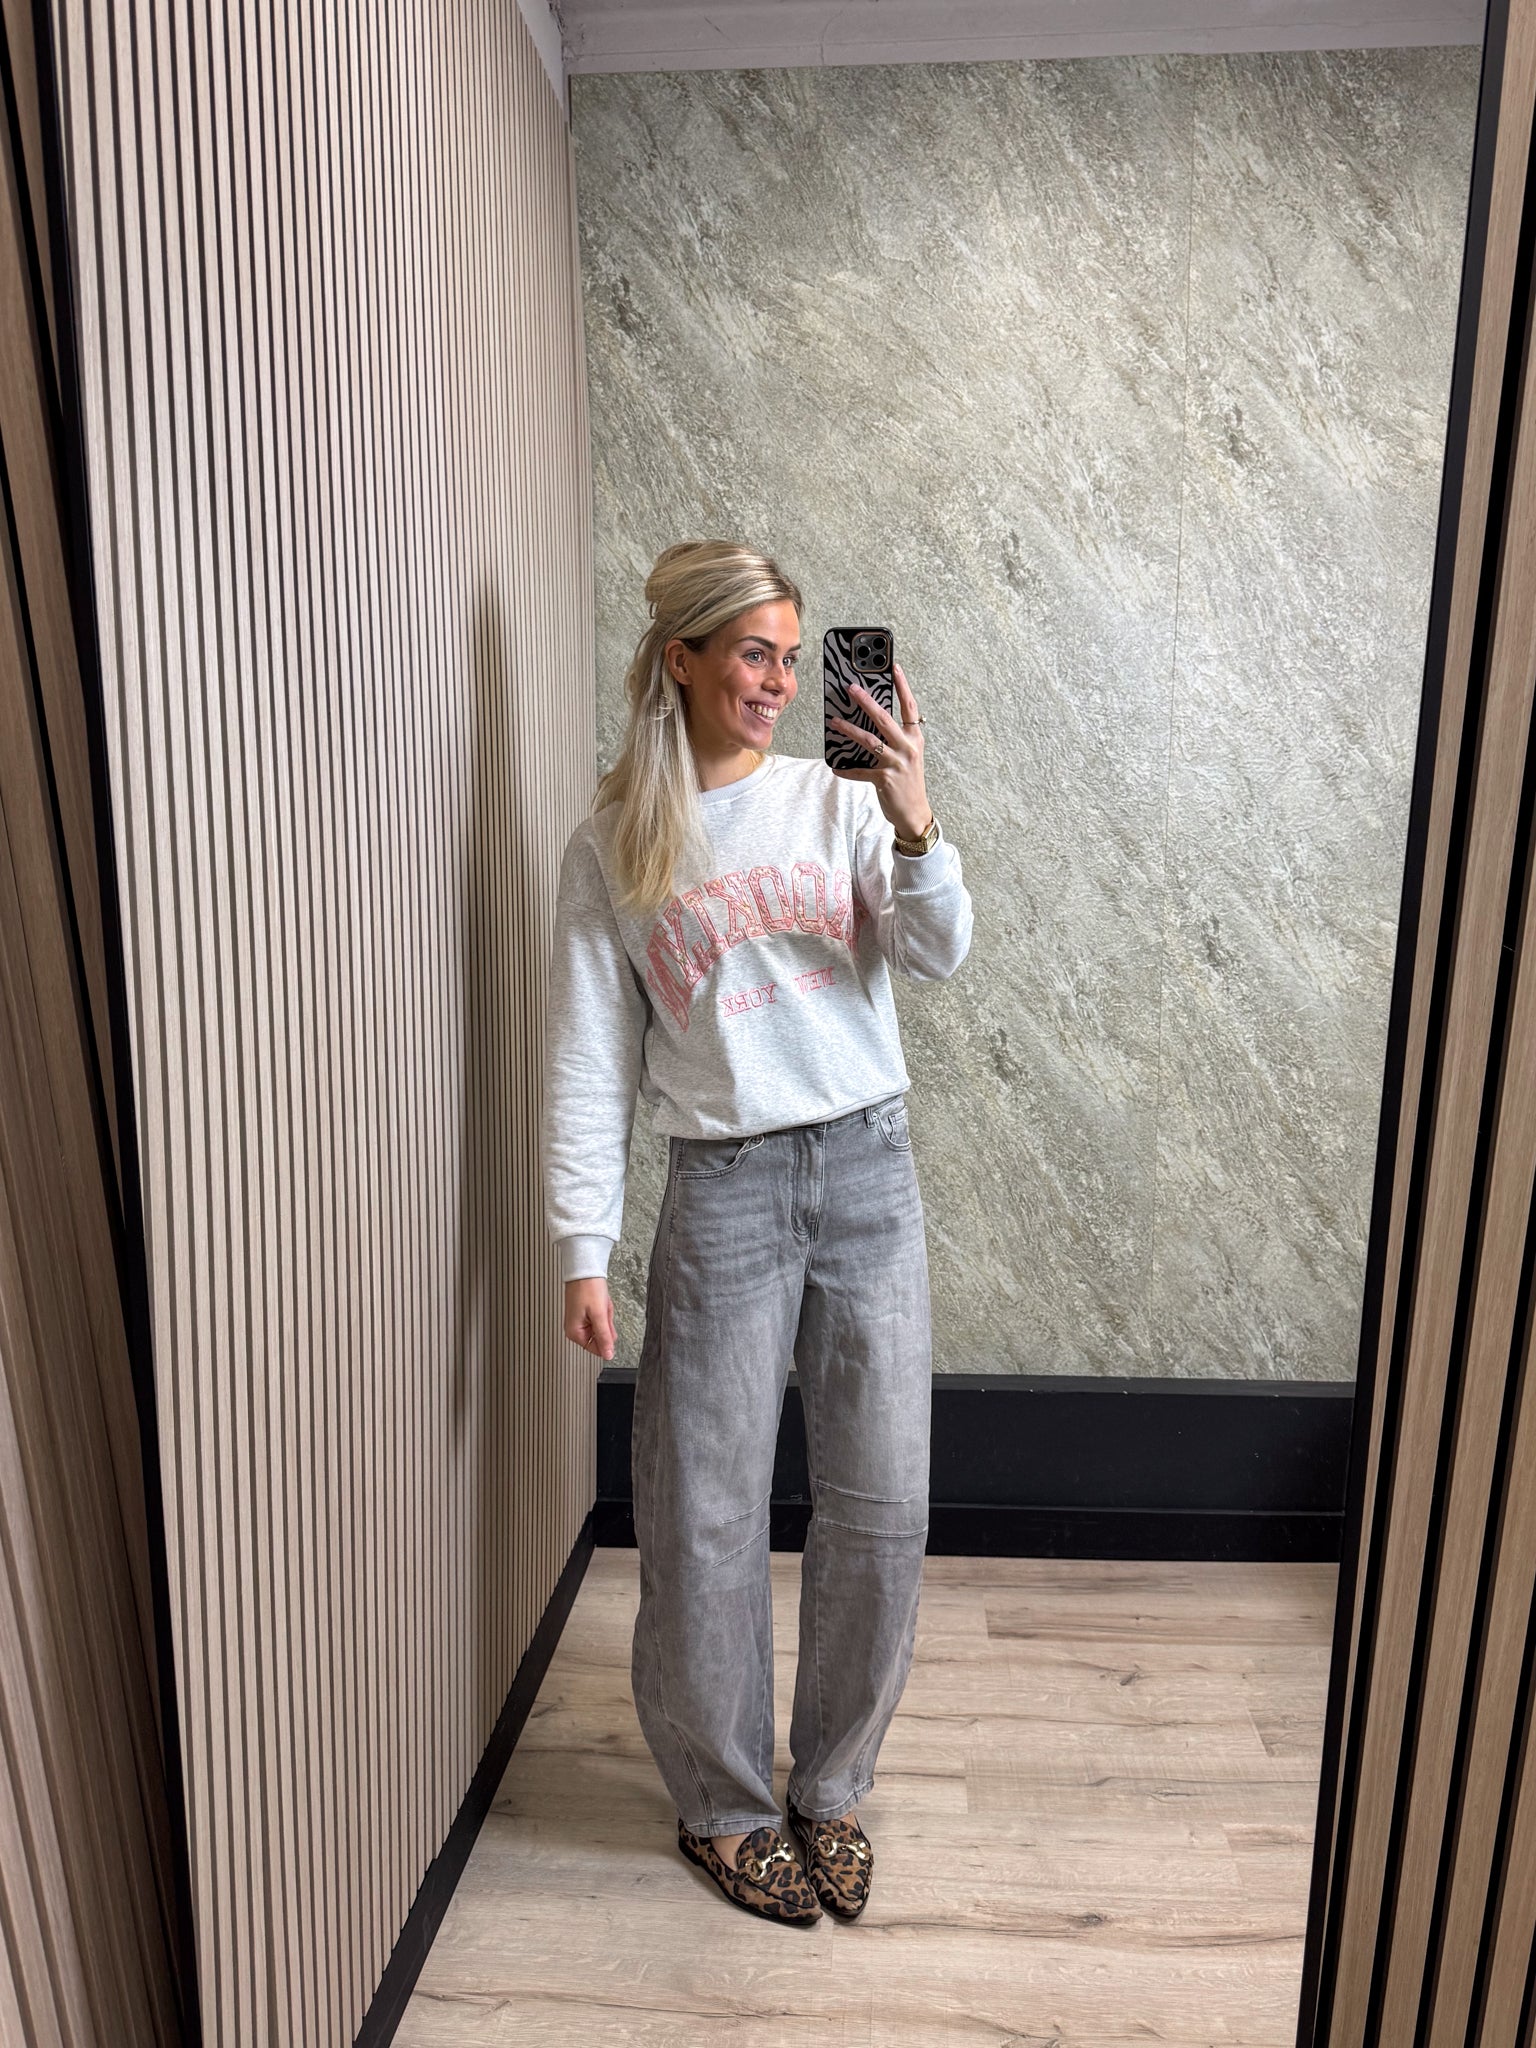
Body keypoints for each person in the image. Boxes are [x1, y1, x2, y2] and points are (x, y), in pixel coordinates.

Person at [540, 539, 973, 1926]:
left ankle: (831, 1785)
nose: (781, 682)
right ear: (681, 657)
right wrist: (582, 1244)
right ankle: (725, 1809)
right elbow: (588, 1061)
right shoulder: (613, 846)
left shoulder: (836, 801)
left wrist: (913, 817)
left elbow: (937, 953)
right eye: (753, 654)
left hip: (867, 1173)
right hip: (722, 1192)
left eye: (793, 657)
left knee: (882, 1499)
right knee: (706, 1511)